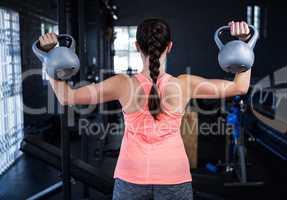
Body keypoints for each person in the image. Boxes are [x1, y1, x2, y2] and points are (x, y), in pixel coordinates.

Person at [39, 19, 252, 200]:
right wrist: (244, 46)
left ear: (136, 46)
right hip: (174, 178)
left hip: (130, 177)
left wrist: (50, 60)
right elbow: (239, 87)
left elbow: (67, 97)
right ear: (170, 46)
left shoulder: (122, 84)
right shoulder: (185, 84)